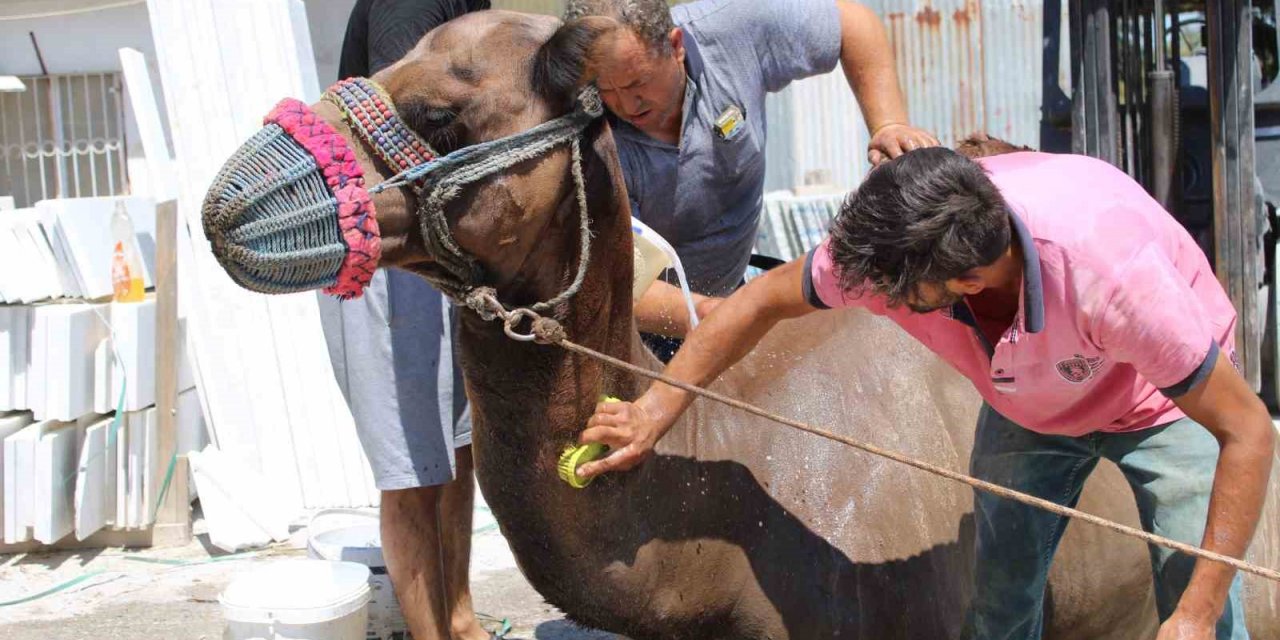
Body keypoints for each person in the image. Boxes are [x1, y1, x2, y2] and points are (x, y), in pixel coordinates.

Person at [576, 148, 1275, 639]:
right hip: (1028, 405)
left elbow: (1249, 431)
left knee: (1198, 596)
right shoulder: (888, 250)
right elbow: (760, 301)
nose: (868, 300)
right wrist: (655, 409)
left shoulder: (1117, 284)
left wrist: (1196, 614)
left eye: (893, 298)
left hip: (1153, 401)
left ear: (968, 281)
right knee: (999, 602)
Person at [561, 0, 938, 359]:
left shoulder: (732, 31)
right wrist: (723, 316)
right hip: (626, 335)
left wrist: (889, 123)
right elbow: (617, 283)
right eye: (605, 90)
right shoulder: (582, 138)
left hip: (728, 296)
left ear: (676, 46)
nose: (626, 105)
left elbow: (852, 25)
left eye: (636, 83)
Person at [318, 1, 491, 639]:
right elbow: (390, 120)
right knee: (413, 469)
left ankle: (460, 619)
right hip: (382, 246)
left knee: (459, 450)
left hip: (437, 242)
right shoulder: (412, 2)